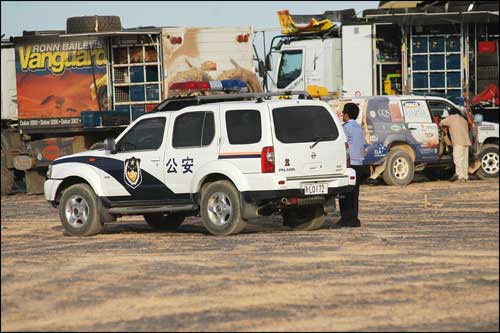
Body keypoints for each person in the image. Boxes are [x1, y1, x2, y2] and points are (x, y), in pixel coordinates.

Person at [337, 103, 366, 228]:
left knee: (345, 194)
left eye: (343, 113)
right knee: (355, 194)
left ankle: (346, 218)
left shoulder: (346, 128)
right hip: (359, 164)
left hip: (349, 164)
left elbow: (341, 144)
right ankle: (354, 218)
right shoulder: (359, 128)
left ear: (346, 115)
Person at [439, 108, 471, 182]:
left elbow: (441, 123)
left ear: (451, 113)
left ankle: (459, 176)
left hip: (458, 141)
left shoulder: (451, 118)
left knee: (458, 159)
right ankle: (465, 177)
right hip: (466, 141)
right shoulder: (463, 119)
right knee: (464, 160)